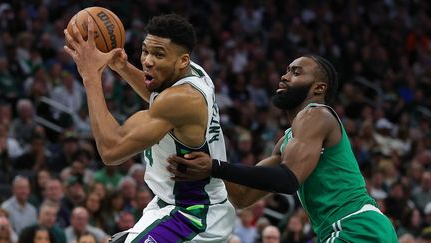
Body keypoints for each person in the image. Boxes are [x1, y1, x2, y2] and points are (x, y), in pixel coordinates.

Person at [167, 55, 398, 242]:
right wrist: (206, 149)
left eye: (296, 72)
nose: (285, 76)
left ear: (318, 88)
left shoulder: (317, 113)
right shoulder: (288, 140)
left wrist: (215, 167)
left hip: (354, 226)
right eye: (287, 70)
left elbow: (288, 180)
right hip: (348, 228)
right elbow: (242, 197)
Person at [63, 13, 235, 242]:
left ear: (182, 60)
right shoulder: (196, 73)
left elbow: (111, 150)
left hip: (193, 215)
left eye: (159, 54)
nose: (147, 61)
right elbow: (158, 97)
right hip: (172, 204)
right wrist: (122, 67)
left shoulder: (182, 99)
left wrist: (91, 77)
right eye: (145, 51)